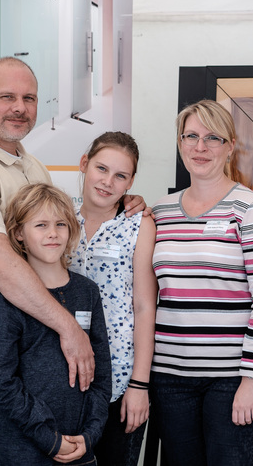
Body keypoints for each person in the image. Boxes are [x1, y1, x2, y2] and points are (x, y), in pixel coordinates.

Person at [0, 56, 145, 465]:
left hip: (35, 331)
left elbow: (61, 221)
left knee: (29, 451)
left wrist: (125, 204)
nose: (19, 107)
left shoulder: (31, 166)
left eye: (28, 98)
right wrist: (70, 327)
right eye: (7, 97)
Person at [150, 99, 253, 466]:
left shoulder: (251, 209)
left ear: (230, 146)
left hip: (233, 379)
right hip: (170, 378)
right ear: (180, 144)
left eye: (212, 138)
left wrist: (252, 379)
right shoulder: (159, 212)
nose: (200, 147)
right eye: (190, 136)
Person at [0, 183, 112, 464]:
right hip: (23, 453)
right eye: (40, 225)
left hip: (81, 449)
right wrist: (50, 440)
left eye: (60, 224)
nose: (53, 233)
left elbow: (101, 376)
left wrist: (90, 435)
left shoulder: (87, 292)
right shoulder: (9, 299)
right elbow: (2, 384)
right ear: (19, 234)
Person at [70, 132, 157, 466]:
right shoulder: (59, 218)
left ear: (130, 182)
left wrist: (139, 384)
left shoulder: (139, 224)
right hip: (65, 370)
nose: (107, 181)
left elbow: (145, 306)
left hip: (119, 376)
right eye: (101, 169)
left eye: (120, 175)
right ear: (84, 164)